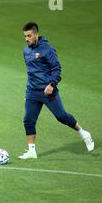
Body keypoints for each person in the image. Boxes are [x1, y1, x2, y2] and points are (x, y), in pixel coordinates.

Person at [19, 22, 94, 160]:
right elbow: (30, 73)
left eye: (29, 35)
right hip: (32, 91)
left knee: (61, 116)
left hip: (48, 91)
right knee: (28, 120)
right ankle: (31, 151)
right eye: (25, 36)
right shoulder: (26, 51)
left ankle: (84, 133)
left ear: (36, 34)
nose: (27, 38)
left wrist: (51, 85)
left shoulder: (47, 49)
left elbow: (57, 69)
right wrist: (27, 93)